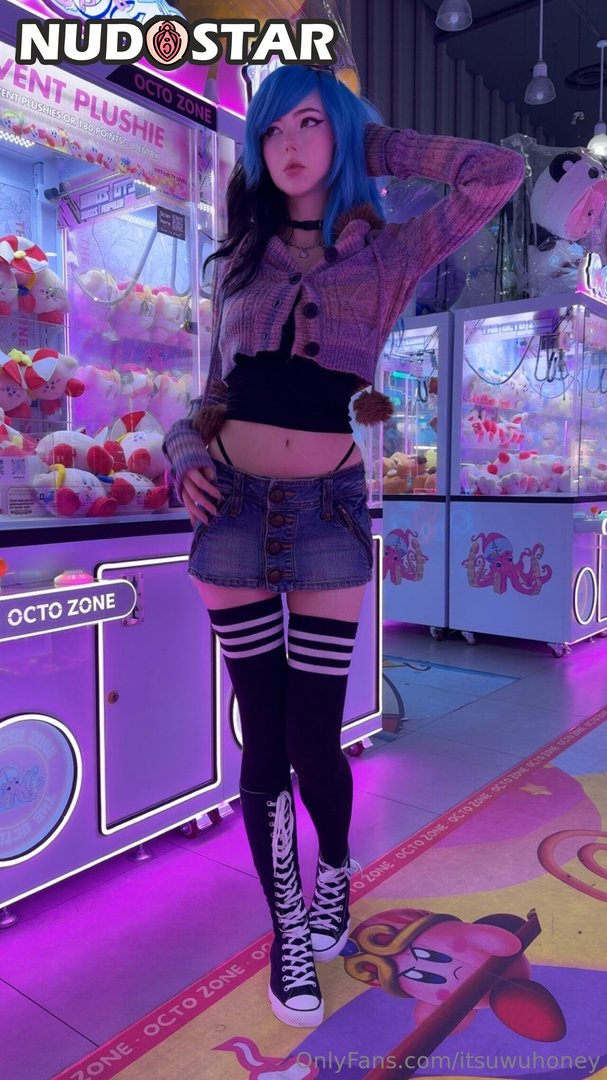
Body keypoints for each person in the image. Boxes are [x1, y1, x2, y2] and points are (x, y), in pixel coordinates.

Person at [163, 63, 524, 1029]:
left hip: (326, 513)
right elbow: (210, 396)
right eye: (273, 129)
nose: (289, 144)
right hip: (230, 514)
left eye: (309, 124)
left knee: (314, 737)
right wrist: (183, 449)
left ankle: (333, 868)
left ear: (342, 136)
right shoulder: (238, 261)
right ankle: (288, 930)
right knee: (262, 735)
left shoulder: (389, 251)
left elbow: (494, 174)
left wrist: (375, 141)